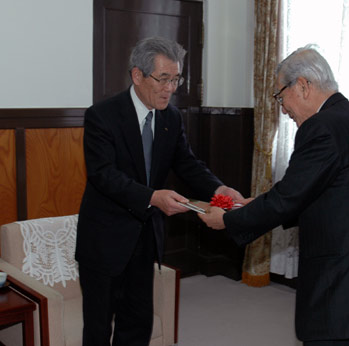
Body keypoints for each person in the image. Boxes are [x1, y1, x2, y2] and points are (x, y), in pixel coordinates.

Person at [199, 44, 349, 346]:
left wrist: (229, 220)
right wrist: (258, 203)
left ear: (303, 86)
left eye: (280, 96)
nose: (283, 109)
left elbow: (288, 198)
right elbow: (327, 193)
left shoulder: (321, 127)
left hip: (347, 298)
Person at [75, 36, 242, 346]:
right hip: (105, 239)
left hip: (145, 237)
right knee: (98, 329)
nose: (170, 88)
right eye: (163, 79)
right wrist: (152, 197)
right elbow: (103, 175)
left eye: (175, 79)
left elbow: (187, 164)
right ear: (137, 75)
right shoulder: (102, 115)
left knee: (137, 324)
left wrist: (220, 188)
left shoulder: (171, 117)